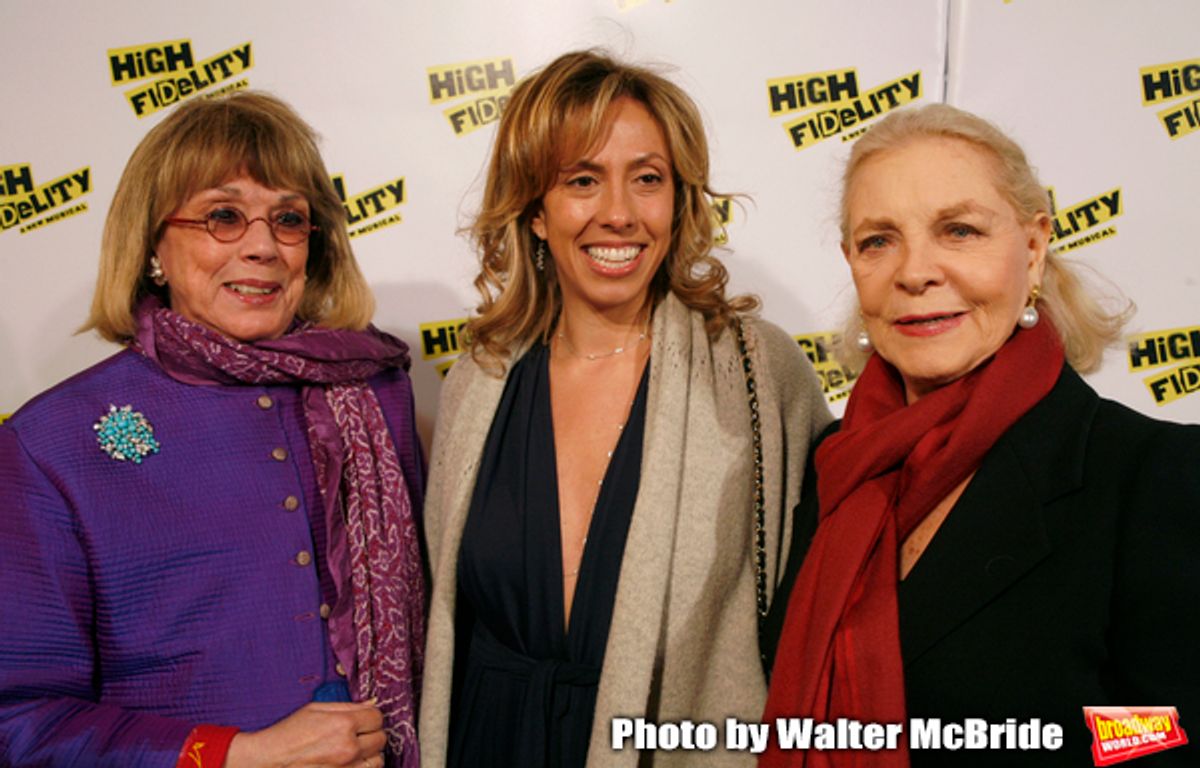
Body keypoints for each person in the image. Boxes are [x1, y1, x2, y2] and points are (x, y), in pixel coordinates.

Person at [419, 50, 830, 767]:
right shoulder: (478, 384)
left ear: (679, 201)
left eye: (647, 179)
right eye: (582, 180)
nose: (618, 213)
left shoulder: (759, 371)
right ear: (535, 210)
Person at [761, 103, 1200, 767]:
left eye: (958, 230)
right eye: (878, 240)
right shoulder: (828, 469)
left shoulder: (1154, 475)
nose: (915, 272)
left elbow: (1172, 735)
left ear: (1032, 245)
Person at [0, 91, 426, 768]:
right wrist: (235, 755)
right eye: (223, 216)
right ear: (152, 247)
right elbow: (19, 720)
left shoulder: (373, 392)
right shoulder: (55, 442)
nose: (261, 247)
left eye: (288, 219)